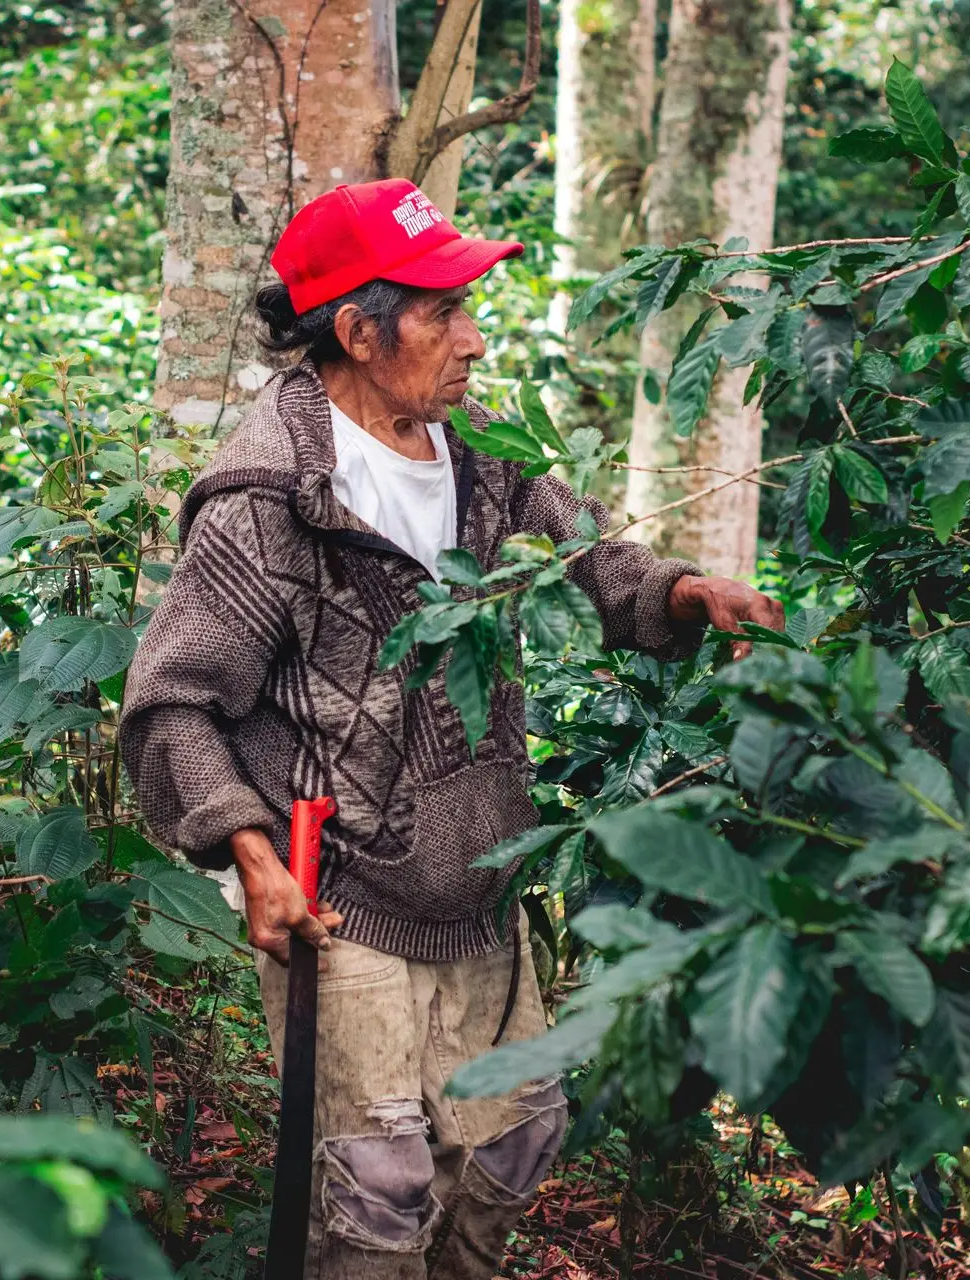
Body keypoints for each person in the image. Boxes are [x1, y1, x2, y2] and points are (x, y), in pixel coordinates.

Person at [120, 178, 782, 1280]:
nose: (474, 337)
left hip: (478, 880)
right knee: (378, 1188)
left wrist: (684, 591)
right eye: (443, 311)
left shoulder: (478, 458)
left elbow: (594, 560)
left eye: (469, 304)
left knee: (515, 1138)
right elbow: (171, 703)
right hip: (344, 900)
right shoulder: (268, 502)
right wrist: (248, 855)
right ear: (357, 332)